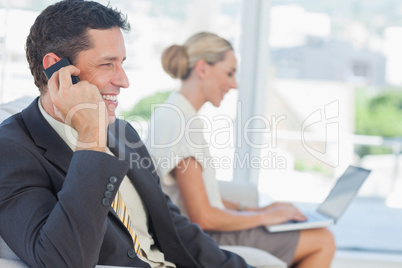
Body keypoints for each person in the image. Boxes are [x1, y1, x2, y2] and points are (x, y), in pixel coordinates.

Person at [0, 2, 253, 268]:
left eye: (121, 63)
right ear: (55, 68)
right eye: (107, 64)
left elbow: (175, 228)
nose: (123, 81)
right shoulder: (11, 151)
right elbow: (62, 261)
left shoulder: (122, 133)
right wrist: (91, 140)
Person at [146, 32, 336, 268]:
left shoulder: (172, 112)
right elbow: (202, 216)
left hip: (196, 231)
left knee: (314, 234)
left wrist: (257, 209)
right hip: (204, 237)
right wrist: (267, 217)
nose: (234, 84)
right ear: (203, 68)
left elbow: (200, 196)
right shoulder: (181, 123)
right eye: (229, 73)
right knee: (322, 240)